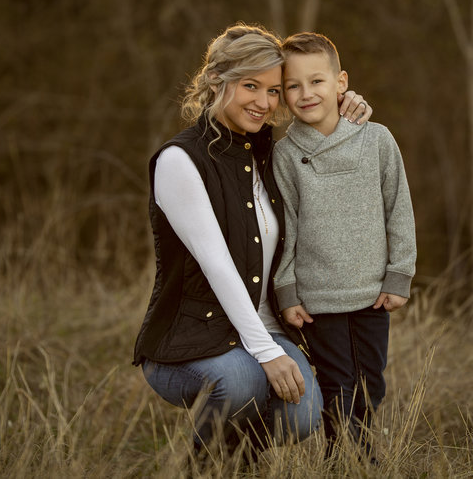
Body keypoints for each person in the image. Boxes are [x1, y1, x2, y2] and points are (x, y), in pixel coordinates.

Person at [132, 23, 373, 459]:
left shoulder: (267, 153)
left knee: (304, 414)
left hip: (263, 328)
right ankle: (202, 468)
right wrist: (266, 352)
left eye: (274, 90)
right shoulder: (179, 160)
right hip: (188, 340)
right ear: (215, 82)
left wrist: (343, 106)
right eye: (250, 86)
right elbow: (217, 263)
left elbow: (322, 148)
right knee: (244, 382)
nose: (264, 103)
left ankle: (236, 465)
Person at [272, 31, 417, 459]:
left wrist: (400, 273)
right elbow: (286, 229)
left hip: (372, 292)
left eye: (316, 81)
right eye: (293, 86)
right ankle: (341, 459)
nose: (305, 93)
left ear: (341, 83)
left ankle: (365, 456)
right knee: (336, 383)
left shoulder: (377, 140)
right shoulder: (285, 154)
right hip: (318, 297)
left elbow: (399, 208)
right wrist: (287, 289)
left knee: (371, 380)